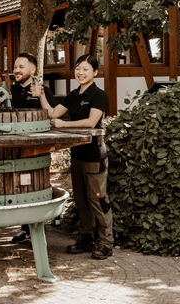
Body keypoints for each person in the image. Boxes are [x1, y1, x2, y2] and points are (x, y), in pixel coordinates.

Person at [35, 54, 113, 260]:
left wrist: (65, 124)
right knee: (80, 199)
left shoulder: (99, 95)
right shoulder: (74, 95)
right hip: (77, 153)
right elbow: (52, 113)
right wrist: (41, 95)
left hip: (94, 154)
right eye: (78, 68)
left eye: (85, 69)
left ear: (95, 72)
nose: (80, 72)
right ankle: (86, 238)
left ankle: (106, 243)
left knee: (98, 199)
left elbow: (91, 122)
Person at [9, 52, 54, 243]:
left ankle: (39, 227)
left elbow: (51, 116)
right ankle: (25, 228)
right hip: (16, 149)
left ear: (32, 70)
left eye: (21, 67)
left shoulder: (43, 91)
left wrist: (41, 96)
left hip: (38, 150)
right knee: (20, 187)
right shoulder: (11, 90)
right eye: (15, 67)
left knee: (37, 186)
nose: (16, 70)